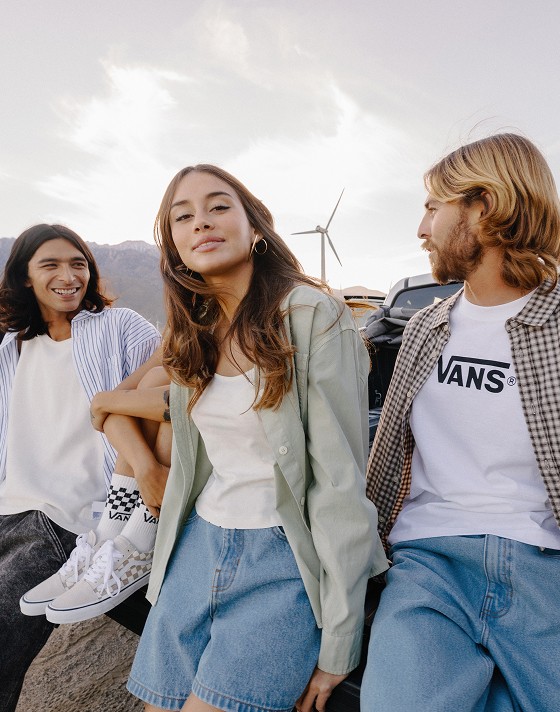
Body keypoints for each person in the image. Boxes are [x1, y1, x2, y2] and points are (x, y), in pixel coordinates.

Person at [123, 164, 387, 712]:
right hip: (198, 543)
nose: (201, 223)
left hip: (281, 556)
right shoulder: (192, 326)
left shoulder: (315, 315)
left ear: (256, 229)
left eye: (219, 207)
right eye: (183, 217)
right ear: (173, 246)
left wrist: (340, 638)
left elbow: (340, 483)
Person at [361, 133, 560, 712]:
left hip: (544, 570)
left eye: (431, 207)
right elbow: (386, 462)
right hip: (429, 569)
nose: (421, 229)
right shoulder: (425, 328)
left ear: (485, 207)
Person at [0, 223, 161, 711]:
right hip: (9, 505)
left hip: (68, 516)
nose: (69, 275)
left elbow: (172, 375)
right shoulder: (11, 348)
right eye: (50, 265)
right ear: (26, 277)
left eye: (78, 264)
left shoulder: (121, 327)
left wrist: (142, 460)